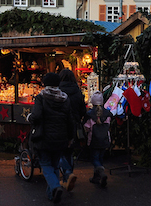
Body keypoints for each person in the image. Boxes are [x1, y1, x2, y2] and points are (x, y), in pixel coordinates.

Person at [28, 72, 74, 203]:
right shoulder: (65, 98)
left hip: (44, 137)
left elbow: (36, 116)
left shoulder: (41, 97)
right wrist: (70, 137)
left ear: (45, 84)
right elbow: (70, 120)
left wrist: (29, 118)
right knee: (54, 164)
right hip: (61, 137)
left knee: (46, 164)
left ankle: (55, 186)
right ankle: (52, 194)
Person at [58, 68, 86, 190]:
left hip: (60, 124)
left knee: (58, 151)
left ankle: (68, 173)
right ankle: (67, 178)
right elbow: (83, 111)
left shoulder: (58, 91)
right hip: (74, 124)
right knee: (69, 151)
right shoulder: (78, 91)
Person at [84, 91, 112, 187]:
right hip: (104, 139)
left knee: (94, 158)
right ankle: (97, 177)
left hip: (94, 140)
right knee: (100, 158)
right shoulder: (107, 114)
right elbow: (108, 125)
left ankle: (101, 172)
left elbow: (87, 127)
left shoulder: (90, 114)